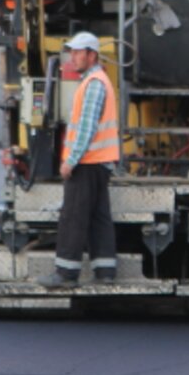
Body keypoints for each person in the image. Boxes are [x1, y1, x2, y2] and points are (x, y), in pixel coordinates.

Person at [38, 31, 120, 287]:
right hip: (99, 162)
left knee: (73, 216)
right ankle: (105, 272)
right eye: (71, 52)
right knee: (99, 217)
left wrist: (70, 160)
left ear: (91, 55)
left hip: (87, 162)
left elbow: (86, 128)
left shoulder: (94, 82)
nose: (72, 57)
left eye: (77, 52)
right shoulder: (97, 80)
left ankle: (65, 274)